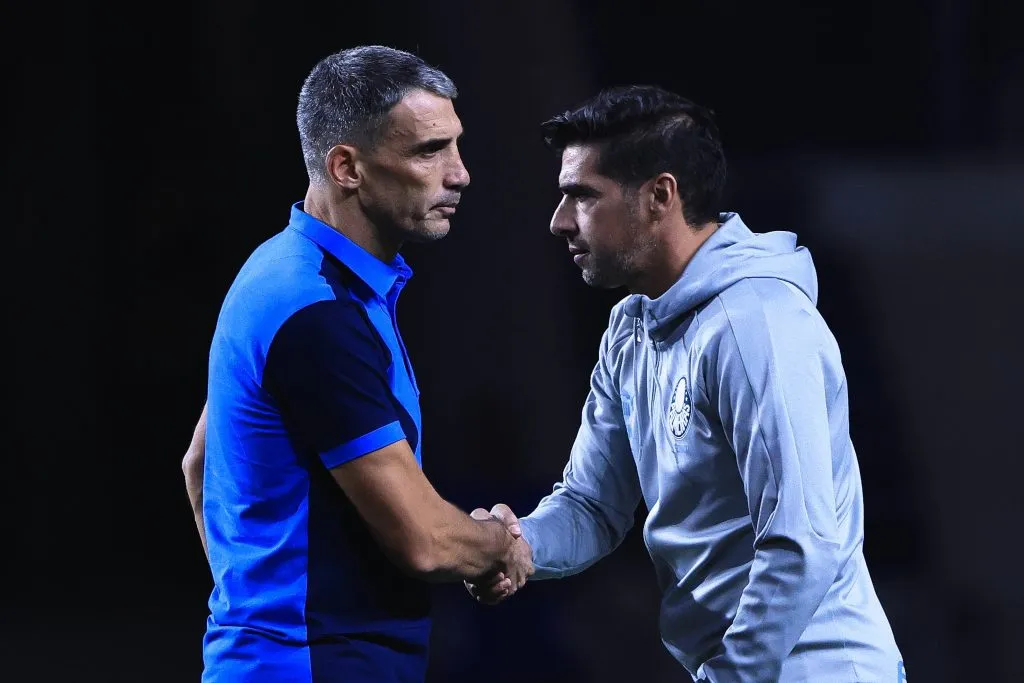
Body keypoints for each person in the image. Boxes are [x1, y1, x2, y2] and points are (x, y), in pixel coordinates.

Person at [467, 85, 905, 683]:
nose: (559, 220)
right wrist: (515, 543)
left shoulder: (756, 324)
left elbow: (802, 543)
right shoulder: (631, 327)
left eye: (583, 195)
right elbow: (592, 506)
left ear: (659, 196)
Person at [180, 45, 532, 683]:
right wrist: (496, 544)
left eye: (456, 145)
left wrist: (256, 613)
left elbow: (200, 465)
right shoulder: (317, 314)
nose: (460, 174)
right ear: (346, 167)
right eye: (430, 151)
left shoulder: (280, 273)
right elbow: (424, 541)